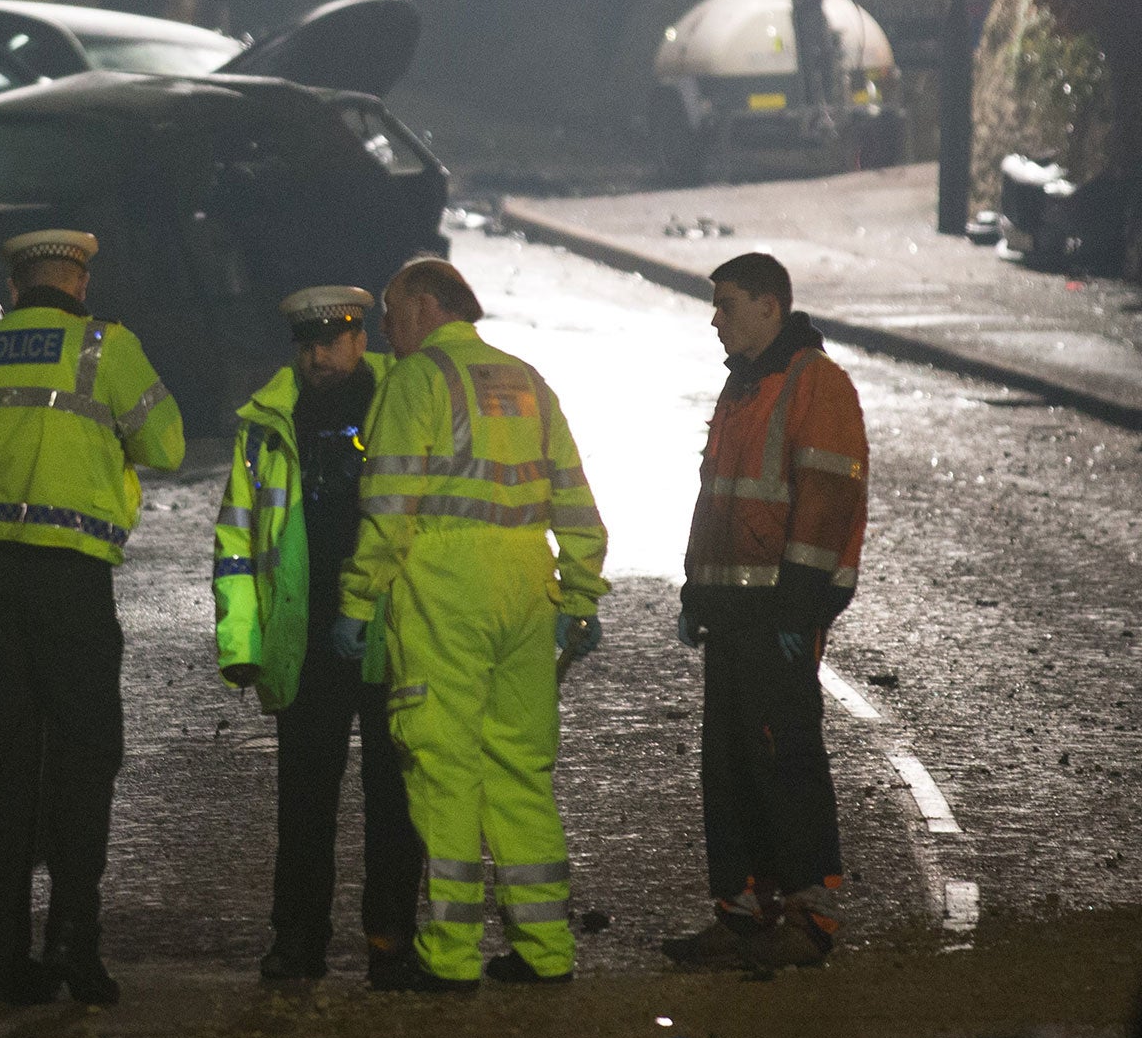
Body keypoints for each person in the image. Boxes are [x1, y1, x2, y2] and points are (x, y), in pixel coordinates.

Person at [0, 229, 185, 1005]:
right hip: (72, 582)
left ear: (15, 279)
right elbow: (165, 444)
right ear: (81, 281)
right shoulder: (107, 347)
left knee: (8, 767)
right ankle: (73, 940)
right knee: (85, 756)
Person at [334, 257, 607, 991]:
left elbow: (389, 506)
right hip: (528, 587)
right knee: (519, 767)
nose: (385, 327)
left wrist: (358, 601)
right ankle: (546, 948)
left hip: (445, 591)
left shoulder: (415, 383)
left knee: (443, 767)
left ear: (425, 308)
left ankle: (450, 957)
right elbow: (576, 500)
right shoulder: (526, 381)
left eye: (392, 310)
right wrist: (579, 595)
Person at [214, 286, 423, 987]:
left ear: (361, 338)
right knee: (305, 801)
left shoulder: (403, 398)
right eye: (307, 344)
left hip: (390, 627)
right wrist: (240, 642)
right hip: (306, 634)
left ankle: (391, 939)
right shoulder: (270, 420)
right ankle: (298, 940)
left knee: (394, 798)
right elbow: (237, 541)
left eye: (331, 341)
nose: (317, 356)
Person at [666, 252, 868, 973]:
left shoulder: (816, 386)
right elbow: (715, 499)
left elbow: (827, 503)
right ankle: (745, 911)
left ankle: (812, 914)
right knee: (729, 767)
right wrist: (697, 589)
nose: (714, 318)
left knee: (784, 760)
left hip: (776, 614)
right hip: (734, 612)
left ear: (768, 307)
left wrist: (801, 607)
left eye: (725, 303)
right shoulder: (746, 388)